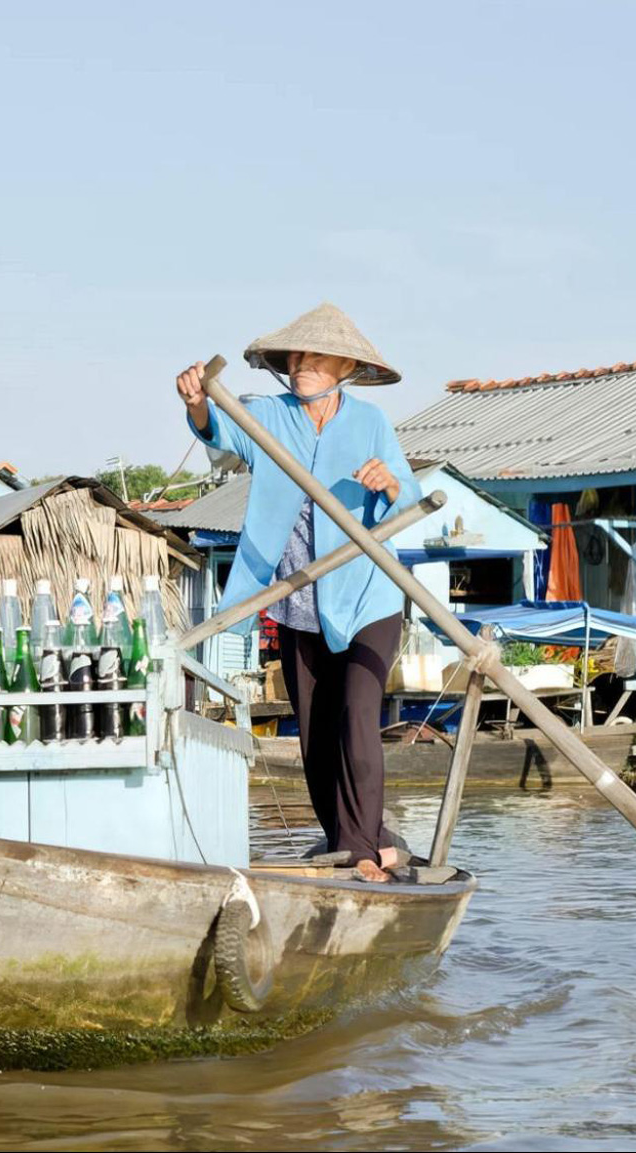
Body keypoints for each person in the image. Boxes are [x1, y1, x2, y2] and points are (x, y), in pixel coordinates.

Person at [176, 303, 419, 883]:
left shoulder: (370, 424)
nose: (303, 364)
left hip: (365, 597)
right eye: (297, 357)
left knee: (358, 718)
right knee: (313, 733)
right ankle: (361, 839)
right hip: (295, 599)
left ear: (345, 367)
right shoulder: (269, 416)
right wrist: (196, 404)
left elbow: (406, 495)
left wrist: (388, 483)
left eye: (316, 357)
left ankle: (361, 854)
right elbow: (221, 428)